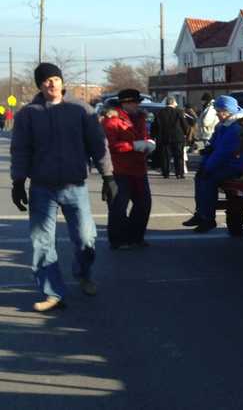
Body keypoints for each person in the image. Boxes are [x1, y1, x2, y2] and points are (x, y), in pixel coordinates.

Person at [9, 63, 115, 312]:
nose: (52, 84)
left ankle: (83, 273)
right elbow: (20, 150)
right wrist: (17, 182)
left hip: (74, 187)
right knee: (42, 241)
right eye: (46, 80)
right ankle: (52, 292)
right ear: (39, 85)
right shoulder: (28, 114)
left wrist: (108, 176)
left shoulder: (80, 110)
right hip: (42, 188)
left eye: (56, 78)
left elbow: (98, 144)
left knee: (86, 238)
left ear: (62, 82)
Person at [100, 89, 156, 250]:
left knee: (144, 204)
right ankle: (118, 240)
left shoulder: (140, 118)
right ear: (124, 103)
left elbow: (143, 138)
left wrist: (148, 144)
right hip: (119, 169)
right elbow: (109, 146)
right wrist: (133, 146)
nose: (136, 105)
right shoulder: (111, 121)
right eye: (133, 102)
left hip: (138, 168)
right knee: (118, 206)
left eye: (137, 102)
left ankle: (135, 237)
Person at [183, 95, 243, 233]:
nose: (217, 114)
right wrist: (205, 161)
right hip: (225, 163)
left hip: (234, 165)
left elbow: (223, 152)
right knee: (200, 177)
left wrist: (208, 167)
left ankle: (208, 218)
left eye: (219, 111)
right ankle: (201, 214)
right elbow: (214, 147)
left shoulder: (235, 128)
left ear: (227, 110)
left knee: (208, 180)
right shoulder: (223, 125)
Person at [155, 97, 188, 179]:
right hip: (178, 137)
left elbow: (155, 126)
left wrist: (155, 136)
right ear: (173, 103)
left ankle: (166, 173)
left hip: (165, 137)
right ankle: (179, 173)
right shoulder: (179, 112)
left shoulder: (160, 112)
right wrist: (185, 133)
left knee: (165, 156)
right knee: (179, 156)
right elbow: (184, 125)